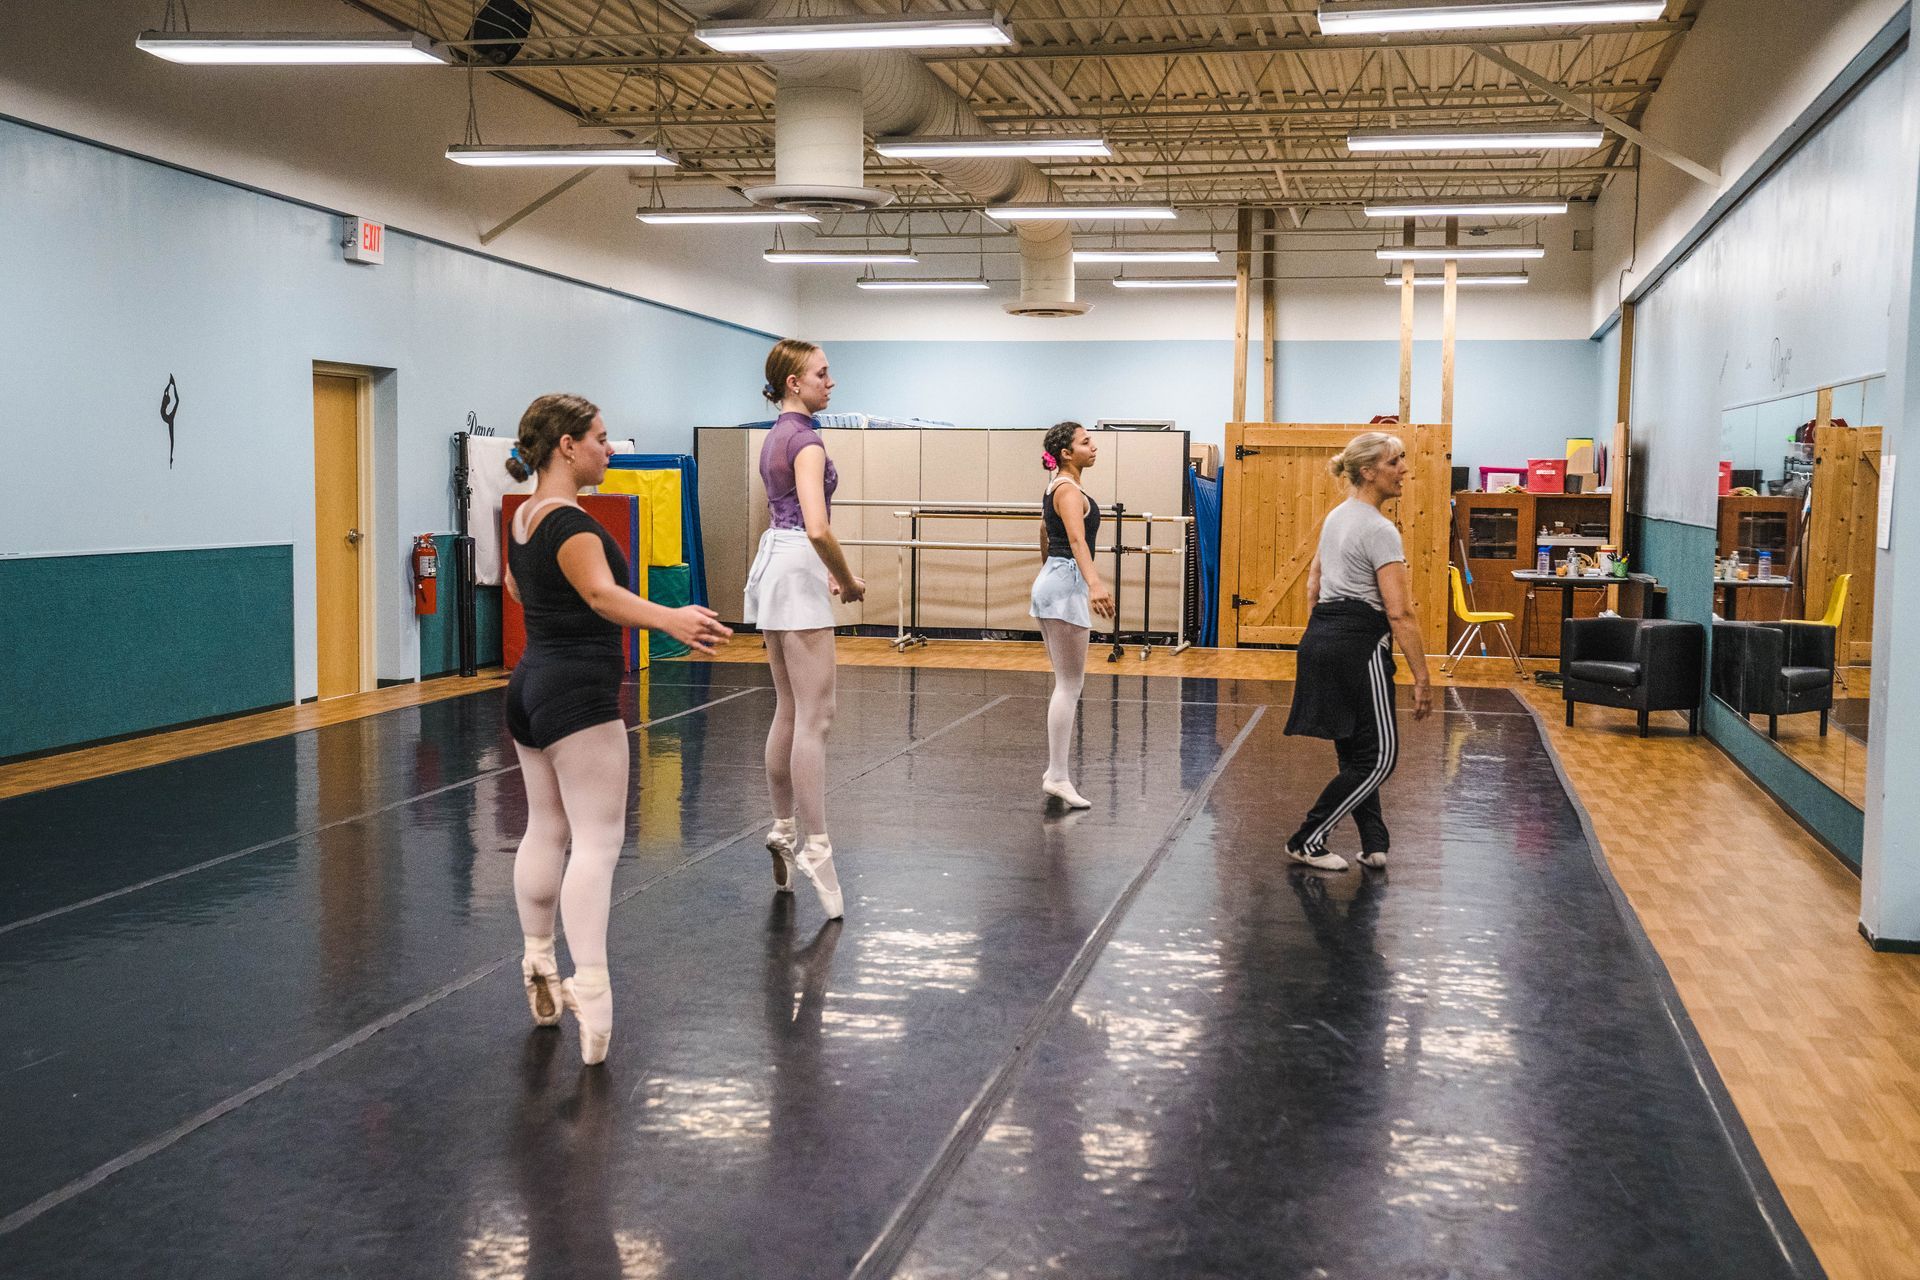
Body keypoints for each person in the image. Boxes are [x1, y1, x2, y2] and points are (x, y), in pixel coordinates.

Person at [503, 393, 733, 1064]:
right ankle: (594, 1002)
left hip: (529, 689)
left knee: (546, 829)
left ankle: (539, 965)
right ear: (567, 446)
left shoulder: (524, 518)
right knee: (598, 845)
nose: (610, 449)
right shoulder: (571, 523)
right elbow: (602, 596)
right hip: (576, 695)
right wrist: (671, 618)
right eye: (601, 438)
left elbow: (521, 592)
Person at [746, 340, 863, 919]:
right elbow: (817, 528)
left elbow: (793, 521)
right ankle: (816, 844)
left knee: (788, 710)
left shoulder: (774, 436)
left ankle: (783, 825)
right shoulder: (809, 442)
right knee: (816, 718)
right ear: (794, 382)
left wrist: (827, 572)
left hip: (775, 564)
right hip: (797, 564)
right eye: (822, 373)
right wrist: (847, 576)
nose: (831, 381)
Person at [1282, 431, 1433, 872]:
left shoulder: (1337, 517)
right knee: (1380, 756)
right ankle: (1308, 838)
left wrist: (1325, 636)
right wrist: (1422, 677)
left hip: (1323, 637)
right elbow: (1400, 612)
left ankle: (1373, 841)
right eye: (1395, 462)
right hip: (1357, 644)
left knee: (1356, 749)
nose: (1404, 469)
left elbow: (1314, 585)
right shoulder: (1380, 529)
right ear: (1368, 472)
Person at [1029, 421, 1115, 809]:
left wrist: (1052, 572)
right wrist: (1094, 584)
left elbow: (1044, 532)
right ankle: (1058, 776)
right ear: (1066, 453)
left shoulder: (1060, 487)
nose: (1093, 446)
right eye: (1085, 442)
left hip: (1057, 580)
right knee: (1069, 685)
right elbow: (1076, 539)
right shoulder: (1065, 488)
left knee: (1068, 683)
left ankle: (1057, 774)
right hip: (1065, 584)